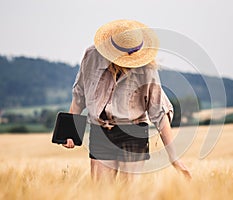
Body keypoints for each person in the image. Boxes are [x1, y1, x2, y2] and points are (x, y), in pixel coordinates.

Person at [62, 19, 191, 180]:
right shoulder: (91, 56)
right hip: (100, 130)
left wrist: (174, 158)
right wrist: (69, 131)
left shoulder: (146, 67)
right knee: (100, 193)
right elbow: (79, 95)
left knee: (129, 193)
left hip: (133, 132)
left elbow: (158, 112)